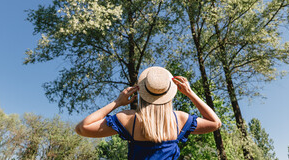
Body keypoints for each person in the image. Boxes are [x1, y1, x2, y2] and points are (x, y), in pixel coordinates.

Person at [75, 66, 222, 159]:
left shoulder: (128, 119)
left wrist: (117, 102)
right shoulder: (179, 120)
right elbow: (215, 123)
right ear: (169, 93)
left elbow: (82, 128)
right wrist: (190, 93)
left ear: (142, 92)